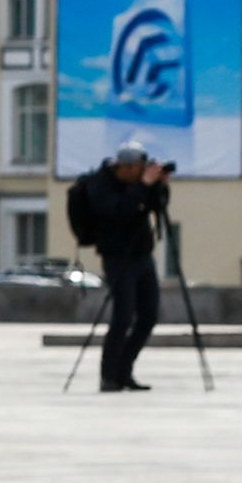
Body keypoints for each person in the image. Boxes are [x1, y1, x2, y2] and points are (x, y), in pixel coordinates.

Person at [69, 143, 173, 393]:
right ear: (124, 167)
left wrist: (160, 185)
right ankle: (109, 376)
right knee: (123, 317)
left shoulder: (137, 184)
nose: (141, 174)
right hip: (117, 257)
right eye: (138, 169)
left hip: (141, 255)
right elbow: (120, 212)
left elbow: (156, 207)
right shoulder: (99, 184)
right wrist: (143, 186)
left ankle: (124, 372)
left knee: (148, 316)